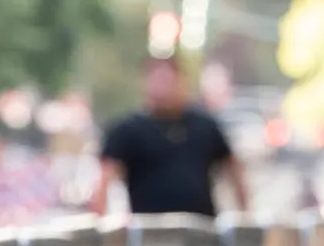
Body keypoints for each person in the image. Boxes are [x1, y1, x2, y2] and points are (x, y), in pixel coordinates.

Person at [91, 55, 250, 217]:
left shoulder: (205, 126)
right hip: (149, 232)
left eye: (168, 80)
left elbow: (234, 171)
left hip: (201, 228)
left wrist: (245, 216)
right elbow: (105, 179)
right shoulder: (128, 130)